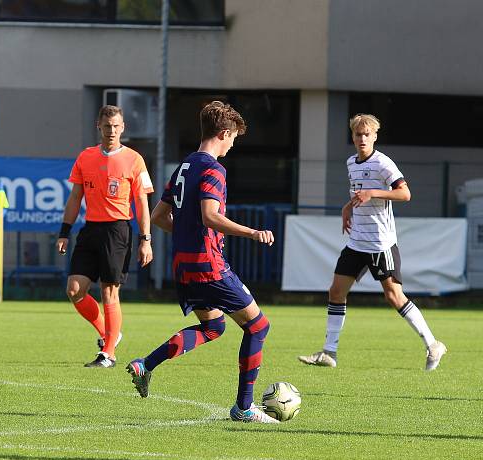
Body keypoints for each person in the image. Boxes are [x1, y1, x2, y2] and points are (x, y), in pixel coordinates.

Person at [126, 101, 279, 424]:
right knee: (258, 326)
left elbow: (157, 217)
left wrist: (187, 231)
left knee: (214, 326)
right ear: (224, 133)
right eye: (233, 137)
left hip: (183, 265)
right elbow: (211, 215)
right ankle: (244, 407)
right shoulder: (214, 169)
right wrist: (252, 232)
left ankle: (146, 364)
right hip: (209, 265)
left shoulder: (183, 167)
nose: (233, 144)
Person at [298, 114, 447, 371]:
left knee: (393, 296)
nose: (362, 138)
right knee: (336, 291)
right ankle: (329, 352)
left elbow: (405, 193)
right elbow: (358, 193)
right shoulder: (351, 162)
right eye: (358, 134)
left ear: (375, 136)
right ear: (353, 137)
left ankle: (433, 344)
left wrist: (373, 193)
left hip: (380, 243)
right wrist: (348, 207)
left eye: (367, 134)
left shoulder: (383, 163)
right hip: (357, 241)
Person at [56, 105, 154, 368]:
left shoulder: (134, 159)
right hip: (90, 229)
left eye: (116, 126)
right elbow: (75, 197)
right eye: (107, 126)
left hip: (117, 230)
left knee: (109, 291)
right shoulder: (85, 157)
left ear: (123, 128)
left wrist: (146, 239)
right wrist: (64, 232)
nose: (111, 130)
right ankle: (108, 334)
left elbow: (142, 203)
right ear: (98, 127)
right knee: (74, 290)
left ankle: (108, 353)